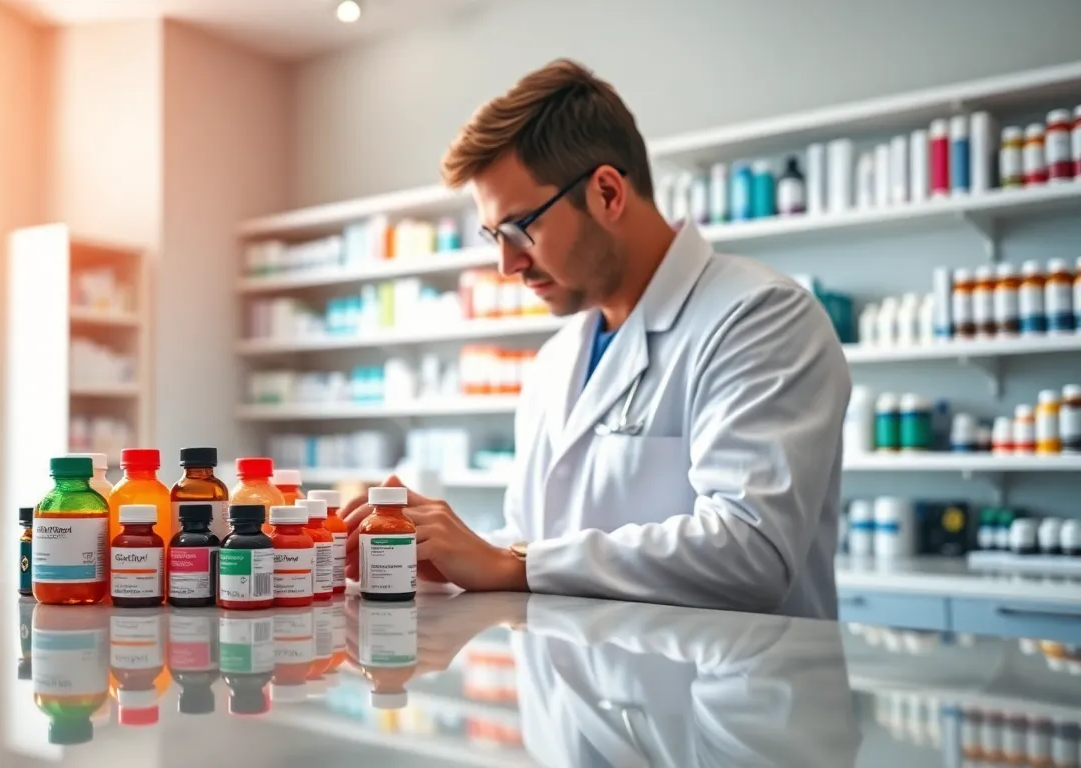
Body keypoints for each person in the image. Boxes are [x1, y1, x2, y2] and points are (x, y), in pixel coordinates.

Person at [341, 59, 851, 619]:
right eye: (494, 237)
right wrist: (438, 556)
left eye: (519, 229)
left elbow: (751, 553)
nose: (507, 264)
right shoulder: (556, 361)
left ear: (607, 193)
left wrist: (512, 561)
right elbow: (534, 541)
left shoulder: (759, 316)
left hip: (730, 698)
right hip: (575, 696)